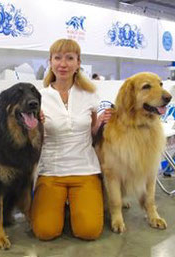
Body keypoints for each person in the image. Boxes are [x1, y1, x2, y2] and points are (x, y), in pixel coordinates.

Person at [31, 39, 111, 241]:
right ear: (50, 62)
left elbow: (92, 134)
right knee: (45, 232)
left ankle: (73, 206)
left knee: (89, 231)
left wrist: (100, 123)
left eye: (69, 58)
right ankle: (62, 206)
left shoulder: (90, 94)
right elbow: (33, 141)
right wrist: (34, 126)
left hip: (85, 169)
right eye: (57, 58)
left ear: (78, 63)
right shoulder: (38, 97)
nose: (63, 64)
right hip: (51, 171)